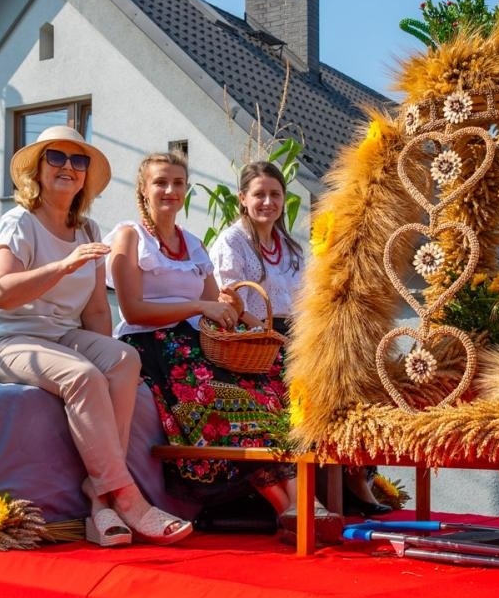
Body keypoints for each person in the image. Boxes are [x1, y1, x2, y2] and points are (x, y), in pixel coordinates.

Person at [0, 126, 192, 547]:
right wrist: (64, 266)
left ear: (85, 175)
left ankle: (99, 502)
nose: (68, 167)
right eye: (57, 158)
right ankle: (124, 496)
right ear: (38, 168)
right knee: (82, 375)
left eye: (78, 160)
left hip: (57, 336)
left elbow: (97, 310)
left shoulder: (88, 230)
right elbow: (3, 292)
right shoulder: (18, 222)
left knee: (123, 361)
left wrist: (107, 354)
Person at [108, 152, 342, 531]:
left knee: (264, 397)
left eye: (178, 183)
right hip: (153, 343)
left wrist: (233, 309)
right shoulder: (129, 236)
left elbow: (217, 302)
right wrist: (202, 305)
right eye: (160, 183)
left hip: (196, 339)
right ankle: (290, 506)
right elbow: (133, 310)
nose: (170, 190)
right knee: (225, 405)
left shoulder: (193, 243)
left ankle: (298, 505)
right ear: (143, 189)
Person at [208, 161, 391, 515]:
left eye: (275, 194)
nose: (267, 202)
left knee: (346, 384)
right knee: (297, 398)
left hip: (295, 334)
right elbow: (231, 302)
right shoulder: (231, 242)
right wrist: (274, 337)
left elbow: (306, 297)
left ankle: (355, 481)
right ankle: (304, 493)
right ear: (242, 199)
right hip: (253, 339)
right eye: (259, 194)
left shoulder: (288, 246)